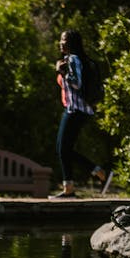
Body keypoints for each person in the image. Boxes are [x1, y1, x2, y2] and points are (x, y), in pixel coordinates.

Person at [51, 29, 112, 199]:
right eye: (60, 40)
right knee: (63, 148)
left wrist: (61, 72)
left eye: (64, 40)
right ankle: (98, 172)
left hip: (76, 109)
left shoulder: (73, 59)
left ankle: (71, 188)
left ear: (72, 43)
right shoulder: (71, 59)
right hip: (75, 109)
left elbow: (76, 83)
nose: (61, 43)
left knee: (63, 148)